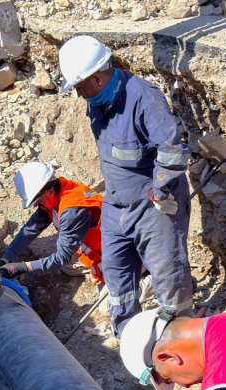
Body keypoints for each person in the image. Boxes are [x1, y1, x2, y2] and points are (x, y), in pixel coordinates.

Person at [57, 35, 194, 335]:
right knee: (116, 275)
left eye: (79, 87)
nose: (79, 94)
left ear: (96, 79)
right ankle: (128, 336)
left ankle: (181, 338)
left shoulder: (143, 98)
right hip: (116, 204)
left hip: (152, 206)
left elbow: (172, 150)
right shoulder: (98, 102)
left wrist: (160, 190)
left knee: (168, 275)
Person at [0, 161, 105, 286]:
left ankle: (107, 270)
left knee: (65, 263)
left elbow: (61, 257)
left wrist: (22, 267)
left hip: (112, 248)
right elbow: (30, 229)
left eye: (37, 201)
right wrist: (5, 259)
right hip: (92, 241)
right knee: (67, 266)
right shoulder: (57, 191)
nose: (36, 205)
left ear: (49, 191)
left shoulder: (72, 211)